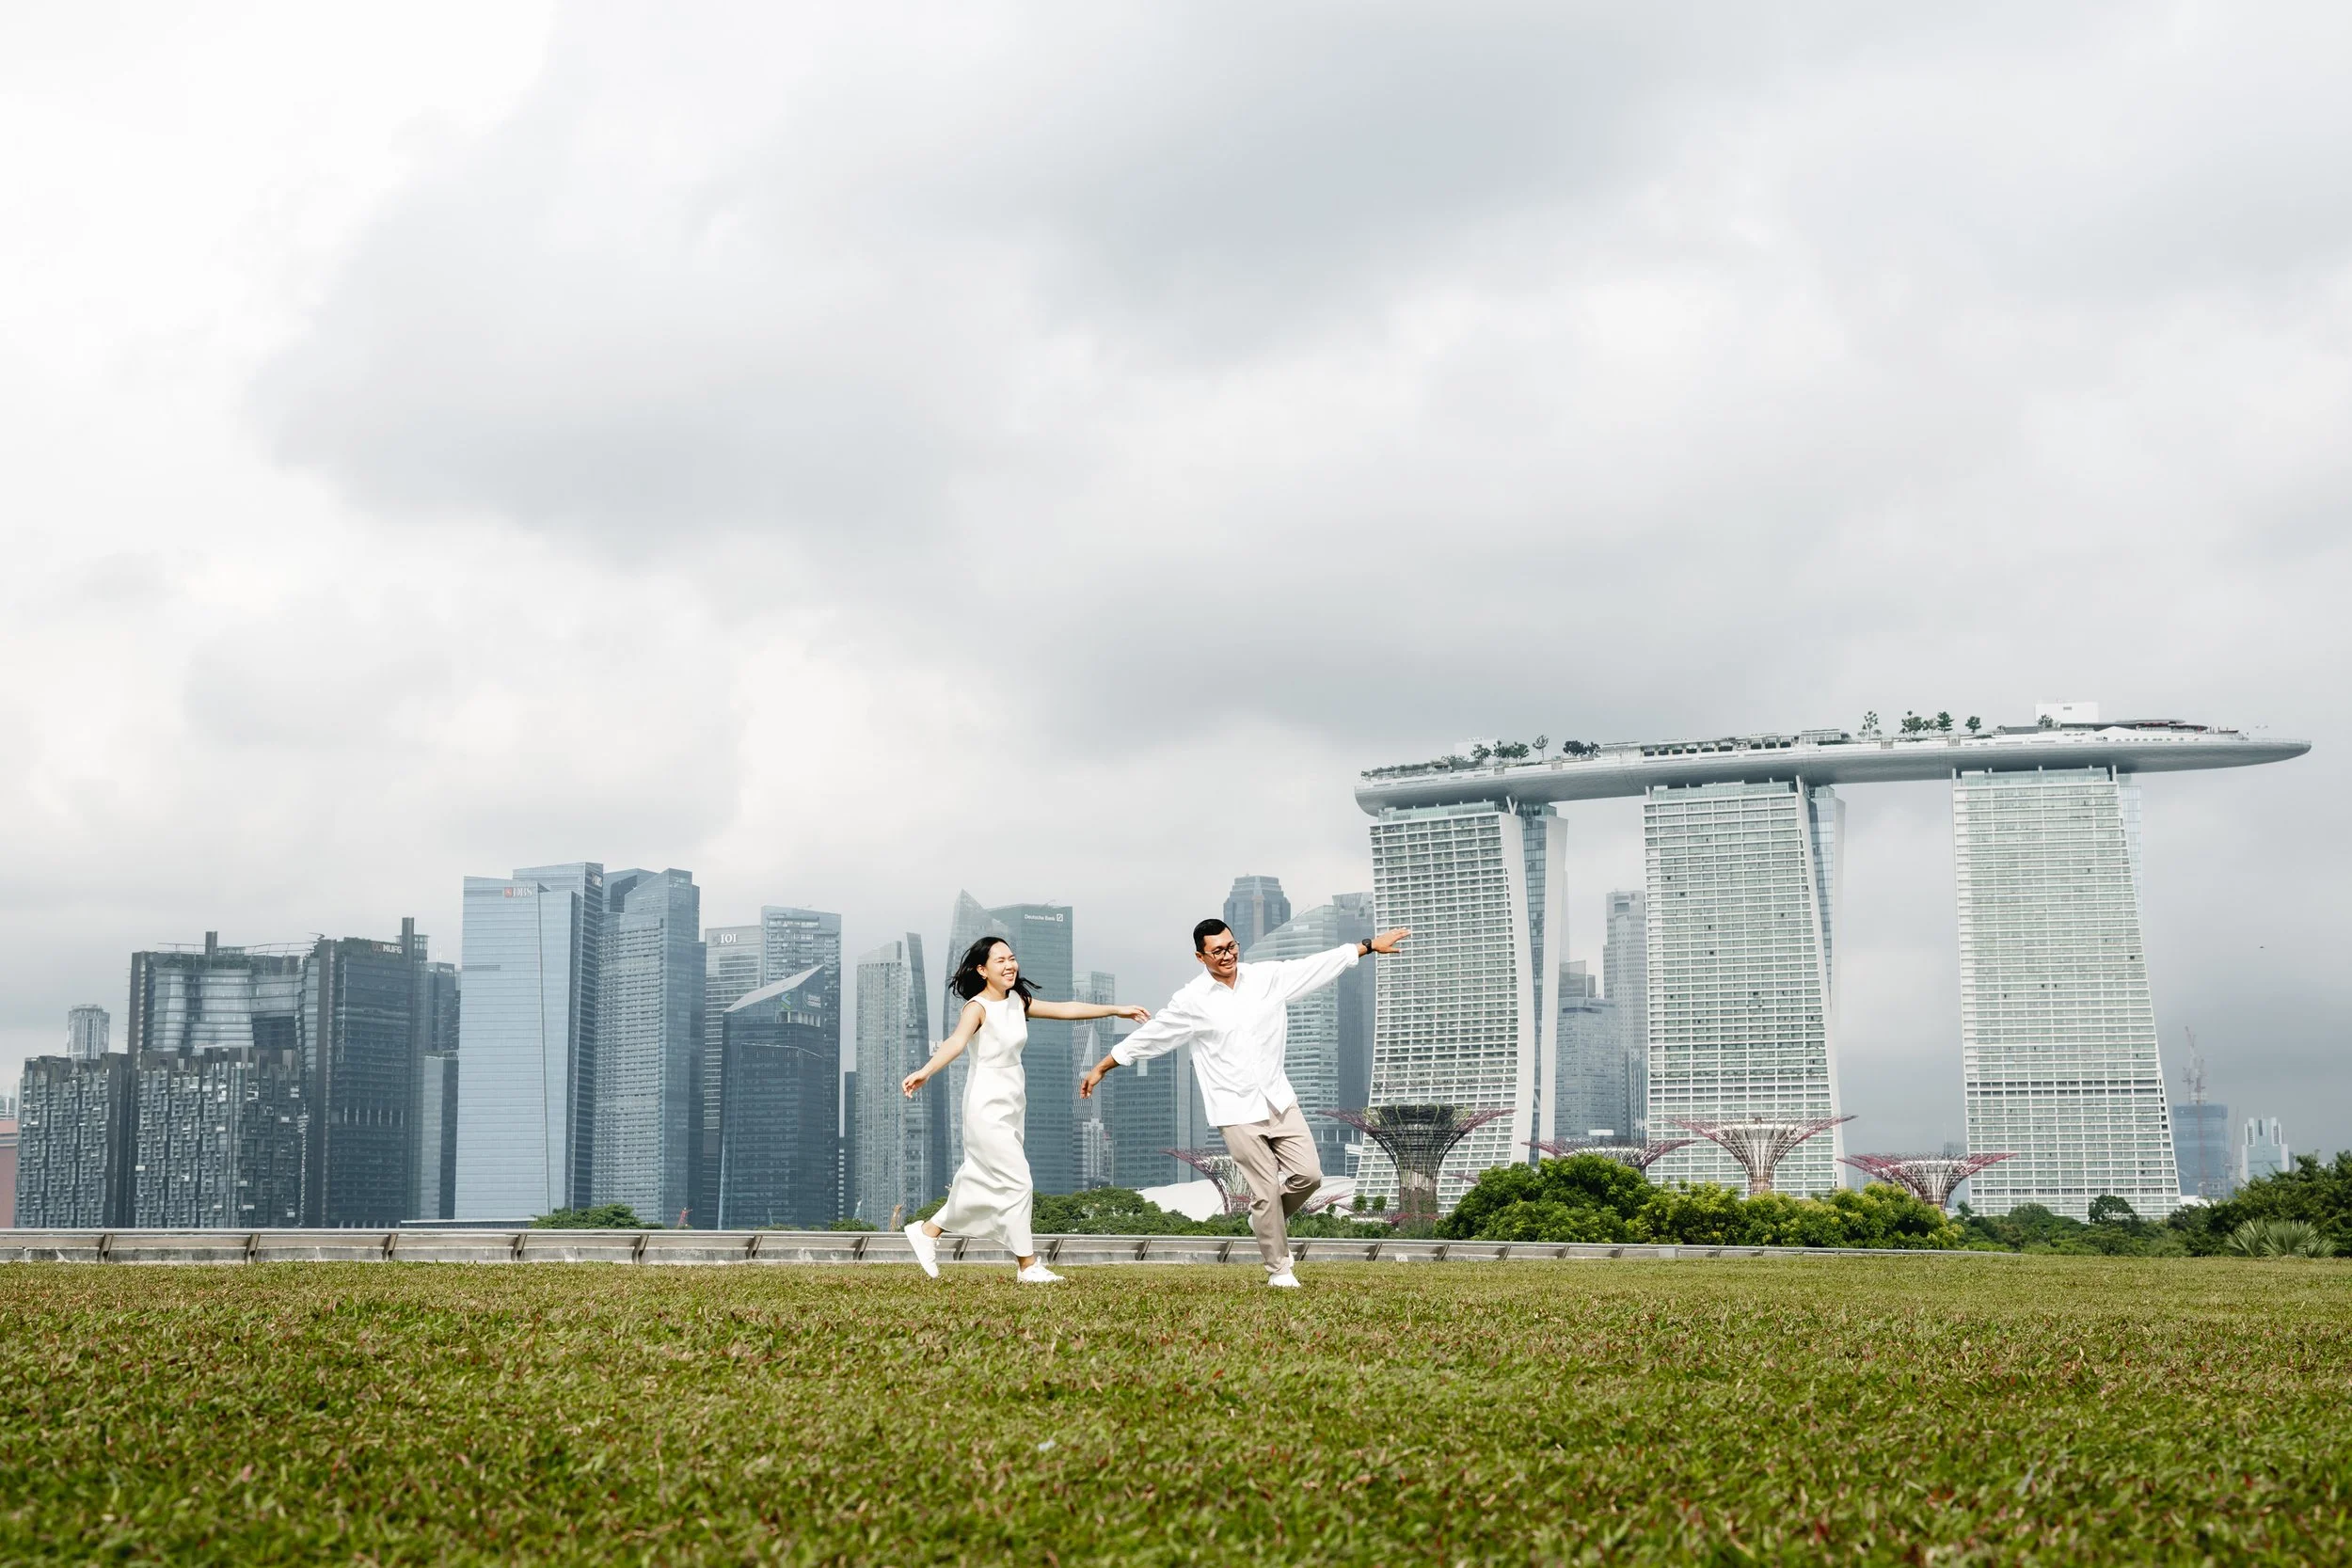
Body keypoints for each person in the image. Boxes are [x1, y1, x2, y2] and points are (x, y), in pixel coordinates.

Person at [1080, 917, 1410, 1287]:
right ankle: (1279, 1270)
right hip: (1235, 1110)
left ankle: (1262, 1219)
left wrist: (1366, 946)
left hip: (1278, 1098)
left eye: (1231, 946)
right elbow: (1153, 1036)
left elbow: (1314, 966)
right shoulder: (1192, 1000)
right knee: (1266, 1190)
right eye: (1217, 950)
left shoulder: (1265, 978)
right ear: (1200, 956)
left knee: (1310, 1176)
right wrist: (1103, 1067)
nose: (1227, 955)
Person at [901, 935, 1148, 1283]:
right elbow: (956, 1042)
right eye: (1000, 960)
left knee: (981, 1179)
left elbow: (1065, 1009)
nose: (1009, 965)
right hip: (984, 1104)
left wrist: (1116, 1009)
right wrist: (926, 1071)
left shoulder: (1017, 1000)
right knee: (1018, 1181)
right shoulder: (977, 1008)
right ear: (982, 969)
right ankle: (1028, 1266)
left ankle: (927, 1231)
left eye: (1011, 958)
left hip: (1013, 1102)